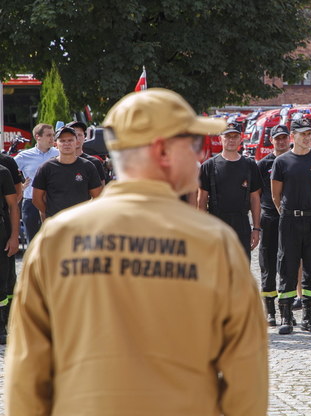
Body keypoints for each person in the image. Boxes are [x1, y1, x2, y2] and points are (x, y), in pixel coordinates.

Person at [5, 88, 268, 415]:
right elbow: (245, 376)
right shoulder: (213, 242)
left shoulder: (57, 239)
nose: (200, 155)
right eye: (195, 144)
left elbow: (28, 371)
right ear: (163, 150)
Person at [271, 117, 311, 335]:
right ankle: (286, 316)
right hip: (289, 219)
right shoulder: (282, 161)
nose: (307, 138)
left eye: (308, 134)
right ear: (293, 136)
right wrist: (289, 214)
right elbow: (276, 196)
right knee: (287, 265)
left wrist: (308, 210)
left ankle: (309, 316)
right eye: (302, 134)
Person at [198, 122, 261, 260]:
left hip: (242, 223)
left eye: (235, 136)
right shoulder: (209, 166)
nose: (231, 140)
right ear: (221, 138)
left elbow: (255, 198)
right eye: (227, 136)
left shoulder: (250, 166)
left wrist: (256, 228)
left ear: (241, 138)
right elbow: (201, 200)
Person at [257, 124, 290, 325]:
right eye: (277, 138)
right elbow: (256, 194)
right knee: (267, 263)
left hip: (289, 219)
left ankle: (286, 310)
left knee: (288, 263)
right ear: (272, 140)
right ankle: (270, 310)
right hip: (269, 218)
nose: (280, 141)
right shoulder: (262, 164)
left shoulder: (295, 161)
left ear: (289, 139)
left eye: (284, 138)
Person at [32, 127, 103, 220]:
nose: (67, 144)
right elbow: (36, 199)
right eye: (62, 141)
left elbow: (97, 197)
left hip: (81, 222)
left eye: (70, 140)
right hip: (56, 223)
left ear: (77, 142)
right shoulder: (46, 168)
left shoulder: (88, 167)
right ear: (55, 144)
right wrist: (50, 213)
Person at [14, 123, 59, 242]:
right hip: (31, 202)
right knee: (33, 241)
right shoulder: (24, 156)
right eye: (48, 135)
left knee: (54, 240)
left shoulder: (58, 154)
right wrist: (20, 187)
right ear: (37, 137)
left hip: (53, 202)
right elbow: (8, 172)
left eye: (53, 135)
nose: (52, 138)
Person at [0, 163, 20, 344]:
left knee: (2, 279)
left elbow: (13, 206)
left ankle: (1, 326)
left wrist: (14, 236)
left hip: (1, 231)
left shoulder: (3, 171)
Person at [66, 120, 108, 184]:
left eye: (80, 135)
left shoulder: (94, 162)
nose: (77, 138)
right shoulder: (57, 162)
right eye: (73, 135)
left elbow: (101, 189)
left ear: (84, 137)